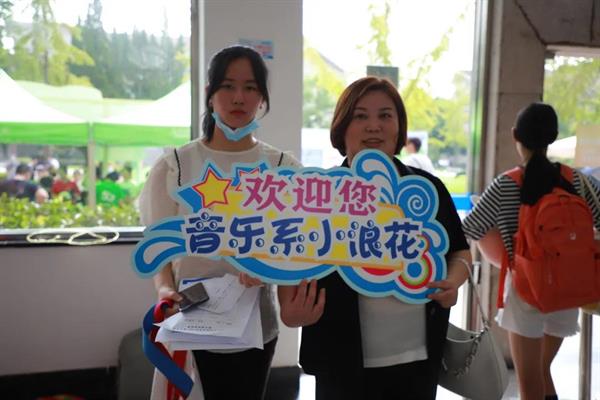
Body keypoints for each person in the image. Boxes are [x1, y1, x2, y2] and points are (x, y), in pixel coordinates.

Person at [278, 77, 471, 400]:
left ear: (399, 128)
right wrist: (290, 311)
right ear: (342, 128)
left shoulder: (427, 189)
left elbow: (460, 252)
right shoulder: (317, 195)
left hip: (417, 362)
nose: (373, 126)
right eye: (360, 116)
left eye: (385, 115)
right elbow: (287, 265)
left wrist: (452, 281)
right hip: (340, 363)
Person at [139, 45, 301, 400]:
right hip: (189, 323)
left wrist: (268, 269)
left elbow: (295, 248)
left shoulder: (283, 168)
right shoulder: (175, 166)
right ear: (210, 94)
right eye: (227, 86)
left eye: (250, 87)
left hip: (256, 330)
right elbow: (157, 247)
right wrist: (164, 289)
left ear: (262, 98)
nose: (238, 97)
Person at [462, 102, 600, 400]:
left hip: (527, 290)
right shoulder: (579, 181)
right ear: (553, 136)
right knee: (542, 370)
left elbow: (470, 229)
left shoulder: (506, 184)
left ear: (515, 135)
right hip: (569, 288)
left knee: (530, 383)